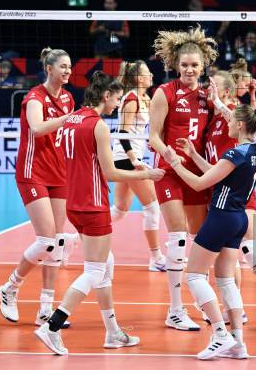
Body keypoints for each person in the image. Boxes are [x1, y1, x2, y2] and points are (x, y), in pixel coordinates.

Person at [34, 71, 165, 355]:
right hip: (93, 204)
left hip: (74, 203)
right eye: (117, 98)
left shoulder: (70, 119)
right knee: (94, 271)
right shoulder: (99, 126)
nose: (118, 104)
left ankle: (113, 332)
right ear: (105, 96)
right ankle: (52, 325)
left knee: (106, 264)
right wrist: (148, 175)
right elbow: (109, 173)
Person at [163, 97, 256, 359]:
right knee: (225, 280)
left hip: (221, 217)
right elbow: (216, 173)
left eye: (232, 120)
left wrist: (175, 163)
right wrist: (192, 154)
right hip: (238, 219)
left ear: (242, 124)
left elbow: (200, 184)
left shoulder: (235, 153)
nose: (228, 123)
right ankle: (238, 343)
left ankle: (220, 333)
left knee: (195, 276)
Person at [0, 48, 78, 328]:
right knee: (46, 240)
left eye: (70, 67)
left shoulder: (68, 97)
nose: (68, 71)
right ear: (49, 69)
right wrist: (66, 119)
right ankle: (10, 287)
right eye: (63, 67)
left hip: (60, 173)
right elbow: (37, 128)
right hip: (33, 172)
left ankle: (45, 308)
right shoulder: (35, 97)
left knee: (56, 242)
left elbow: (67, 134)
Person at [204, 72, 256, 332]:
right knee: (225, 255)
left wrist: (218, 100)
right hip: (218, 194)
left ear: (225, 91)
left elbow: (243, 120)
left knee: (250, 248)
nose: (207, 89)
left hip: (241, 193)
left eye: (213, 86)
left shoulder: (231, 113)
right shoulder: (211, 121)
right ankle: (234, 308)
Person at [149, 26, 218, 331]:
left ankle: (204, 302)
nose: (190, 70)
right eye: (185, 65)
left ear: (203, 67)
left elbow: (229, 127)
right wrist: (168, 154)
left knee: (202, 241)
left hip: (196, 175)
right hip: (169, 172)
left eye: (195, 65)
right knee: (178, 237)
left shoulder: (207, 95)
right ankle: (175, 310)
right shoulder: (164, 93)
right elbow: (152, 136)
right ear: (176, 65)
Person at [111, 60, 165, 272]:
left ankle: (69, 240)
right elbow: (122, 133)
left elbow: (147, 129)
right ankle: (156, 258)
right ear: (139, 78)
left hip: (134, 156)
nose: (152, 75)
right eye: (148, 73)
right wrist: (134, 159)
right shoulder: (131, 99)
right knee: (152, 206)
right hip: (126, 157)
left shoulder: (146, 98)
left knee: (120, 211)